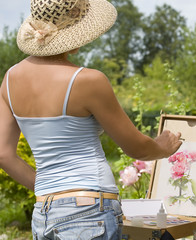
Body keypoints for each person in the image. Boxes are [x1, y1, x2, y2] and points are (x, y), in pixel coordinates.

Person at [0, 0, 182, 239]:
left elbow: (3, 154)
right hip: (89, 211)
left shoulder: (10, 79)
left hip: (44, 211)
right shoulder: (88, 81)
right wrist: (162, 147)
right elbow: (135, 147)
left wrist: (54, 191)